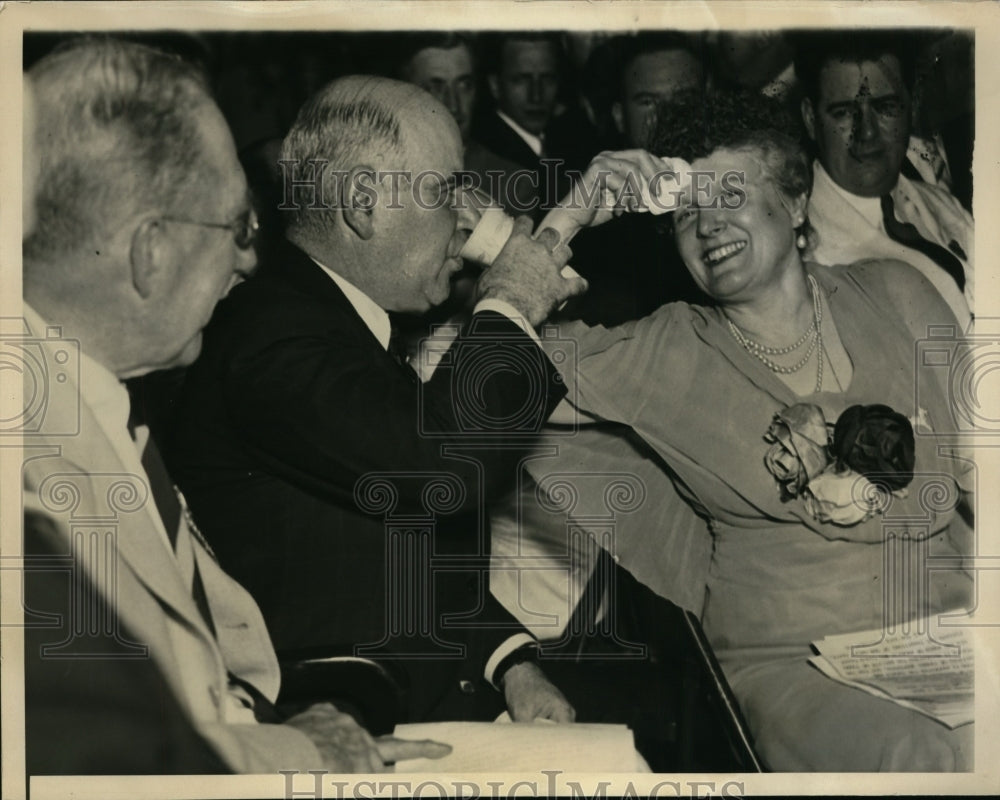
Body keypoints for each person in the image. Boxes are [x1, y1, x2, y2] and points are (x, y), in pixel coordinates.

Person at [21, 38, 447, 774]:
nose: (252, 258)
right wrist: (295, 756)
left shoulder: (97, 404)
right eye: (237, 228)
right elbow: (105, 762)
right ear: (149, 253)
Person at [535, 90, 974, 771]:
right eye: (687, 209)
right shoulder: (665, 353)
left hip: (948, 642)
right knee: (920, 756)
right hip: (795, 664)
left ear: (795, 202)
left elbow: (980, 479)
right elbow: (479, 374)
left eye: (731, 194)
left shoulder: (896, 293)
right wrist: (569, 216)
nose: (708, 224)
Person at [167, 75, 586, 727]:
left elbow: (410, 548)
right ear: (364, 203)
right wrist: (509, 302)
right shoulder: (271, 335)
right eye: (449, 191)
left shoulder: (334, 323)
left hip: (420, 701)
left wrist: (510, 664)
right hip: (344, 723)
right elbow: (445, 467)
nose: (470, 219)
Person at [795, 32, 974, 328]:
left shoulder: (937, 202)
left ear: (912, 105)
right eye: (844, 113)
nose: (867, 133)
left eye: (886, 108)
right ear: (811, 120)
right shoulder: (807, 258)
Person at [395, 32, 536, 216]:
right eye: (436, 87)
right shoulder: (384, 174)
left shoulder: (512, 185)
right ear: (406, 93)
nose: (453, 105)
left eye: (464, 85)